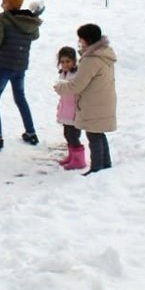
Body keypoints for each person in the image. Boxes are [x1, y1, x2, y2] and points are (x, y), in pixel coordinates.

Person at [0, 0, 43, 150]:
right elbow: (34, 36)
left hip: (4, 66)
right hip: (20, 66)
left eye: (4, 1)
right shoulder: (29, 20)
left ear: (11, 3)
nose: (1, 4)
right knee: (20, 98)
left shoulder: (2, 19)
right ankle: (31, 133)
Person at [54, 24, 118, 176]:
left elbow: (77, 85)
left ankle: (96, 169)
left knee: (93, 135)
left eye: (81, 39)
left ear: (87, 40)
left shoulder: (91, 60)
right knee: (99, 134)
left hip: (94, 102)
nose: (79, 42)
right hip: (103, 100)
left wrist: (60, 88)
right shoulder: (104, 53)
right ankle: (105, 164)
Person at [53, 47, 85, 171]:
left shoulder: (76, 75)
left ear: (74, 61)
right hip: (66, 109)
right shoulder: (63, 74)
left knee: (73, 135)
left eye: (68, 61)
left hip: (74, 111)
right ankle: (72, 156)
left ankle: (79, 160)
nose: (65, 64)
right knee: (67, 134)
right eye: (63, 62)